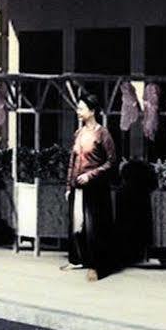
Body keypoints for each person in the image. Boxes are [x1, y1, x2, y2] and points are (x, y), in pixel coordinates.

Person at [63, 96, 118, 280]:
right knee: (76, 225)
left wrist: (90, 175)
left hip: (95, 188)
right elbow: (73, 161)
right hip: (77, 186)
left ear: (92, 111)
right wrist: (68, 186)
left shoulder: (102, 133)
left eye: (81, 108)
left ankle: (96, 266)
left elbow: (111, 162)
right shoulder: (78, 133)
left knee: (94, 227)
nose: (78, 112)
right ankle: (78, 259)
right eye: (77, 108)